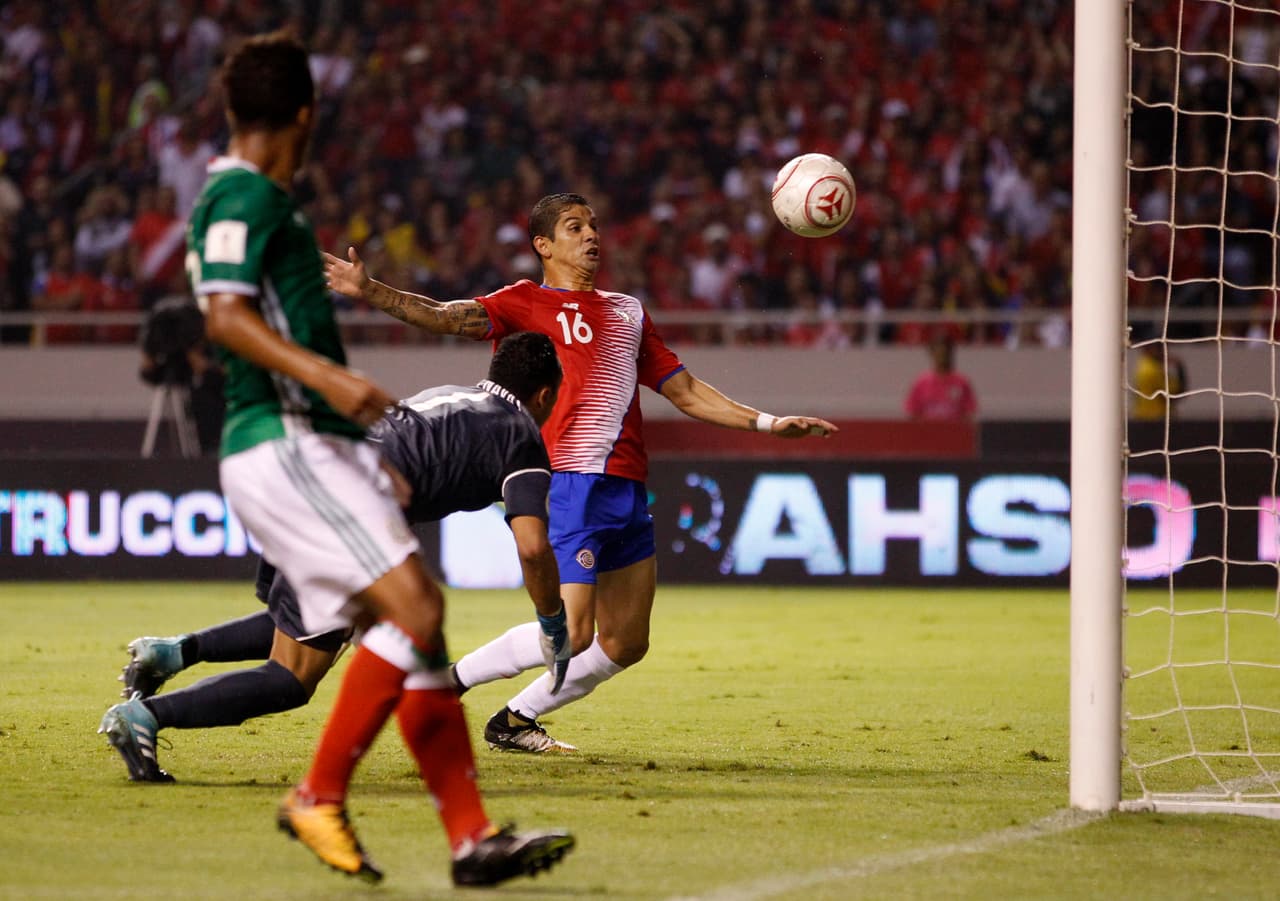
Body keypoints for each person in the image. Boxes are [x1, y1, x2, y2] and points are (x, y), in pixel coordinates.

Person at [98, 33, 572, 888]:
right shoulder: (244, 197)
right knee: (381, 628)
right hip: (285, 439)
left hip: (318, 445)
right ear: (304, 114)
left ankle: (468, 840)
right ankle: (321, 794)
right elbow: (226, 319)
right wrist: (334, 381)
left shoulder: (260, 197)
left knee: (408, 625)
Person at [322, 192, 838, 753]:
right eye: (574, 227)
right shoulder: (525, 302)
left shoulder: (628, 312)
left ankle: (516, 720)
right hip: (568, 481)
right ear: (543, 245)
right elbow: (448, 317)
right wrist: (371, 290)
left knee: (624, 641)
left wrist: (767, 423)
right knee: (574, 630)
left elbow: (685, 391)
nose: (592, 235)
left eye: (593, 225)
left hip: (626, 488)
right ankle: (447, 682)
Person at [105, 331, 571, 773]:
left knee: (315, 616)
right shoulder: (521, 438)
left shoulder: (452, 395)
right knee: (292, 676)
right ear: (545, 396)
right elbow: (531, 547)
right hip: (347, 509)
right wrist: (552, 624)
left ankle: (170, 653)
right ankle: (145, 717)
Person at [903, 333, 978, 421]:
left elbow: (969, 415)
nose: (942, 356)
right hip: (927, 433)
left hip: (954, 433)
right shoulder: (920, 383)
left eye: (945, 352)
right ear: (931, 353)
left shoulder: (962, 382)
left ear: (950, 353)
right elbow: (912, 414)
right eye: (938, 352)